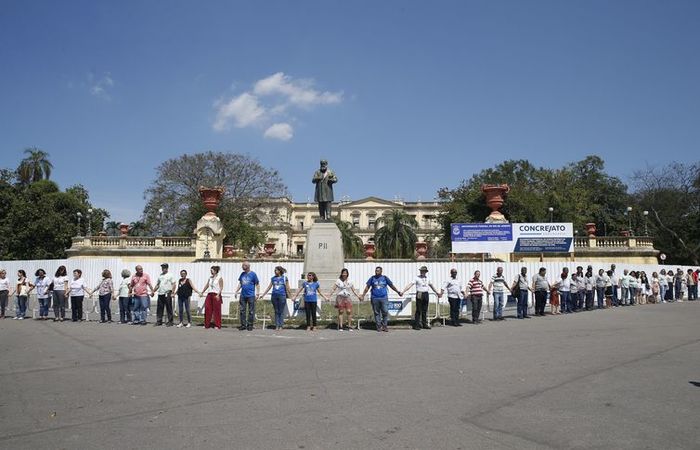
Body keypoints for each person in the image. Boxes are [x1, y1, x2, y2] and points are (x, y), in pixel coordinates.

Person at [360, 266, 403, 332]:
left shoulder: (385, 278)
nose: (376, 272)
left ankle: (385, 326)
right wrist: (363, 295)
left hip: (384, 298)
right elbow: (367, 287)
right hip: (374, 298)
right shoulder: (372, 278)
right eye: (376, 270)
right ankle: (379, 326)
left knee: (385, 311)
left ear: (381, 271)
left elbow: (391, 286)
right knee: (377, 313)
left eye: (378, 270)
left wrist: (398, 292)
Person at [259, 266, 292, 330]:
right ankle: (277, 325)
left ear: (279, 271)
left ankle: (281, 325)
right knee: (276, 311)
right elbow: (269, 287)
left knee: (281, 311)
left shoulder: (285, 278)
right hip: (274, 296)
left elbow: (288, 288)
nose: (275, 271)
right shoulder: (273, 278)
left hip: (282, 296)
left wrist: (291, 296)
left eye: (276, 270)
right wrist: (263, 295)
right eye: (275, 270)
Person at [235, 262, 260, 331]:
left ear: (248, 266)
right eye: (242, 265)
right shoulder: (242, 274)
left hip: (251, 295)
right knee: (242, 310)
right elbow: (240, 283)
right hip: (243, 295)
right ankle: (243, 325)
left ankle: (250, 325)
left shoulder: (253, 274)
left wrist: (257, 294)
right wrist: (236, 291)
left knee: (251, 311)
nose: (242, 266)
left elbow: (257, 284)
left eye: (244, 265)